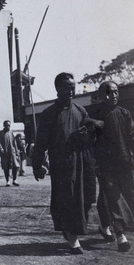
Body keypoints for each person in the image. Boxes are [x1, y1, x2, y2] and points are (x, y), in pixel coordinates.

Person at [30, 72, 97, 254]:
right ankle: (72, 238)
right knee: (66, 200)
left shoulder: (80, 111)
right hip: (61, 166)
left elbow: (89, 133)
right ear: (58, 89)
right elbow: (41, 142)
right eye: (67, 88)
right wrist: (37, 165)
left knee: (82, 200)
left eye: (73, 88)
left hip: (80, 164)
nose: (71, 91)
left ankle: (71, 232)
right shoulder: (49, 114)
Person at [88, 81, 134, 252]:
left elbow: (131, 138)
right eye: (108, 93)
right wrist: (94, 163)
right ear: (100, 96)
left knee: (109, 197)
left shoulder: (124, 113)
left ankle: (104, 225)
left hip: (124, 163)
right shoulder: (94, 114)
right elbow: (90, 142)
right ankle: (120, 235)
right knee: (113, 196)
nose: (113, 96)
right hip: (104, 164)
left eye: (115, 92)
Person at [0, 120, 20, 187]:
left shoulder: (11, 132)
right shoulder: (1, 133)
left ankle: (14, 180)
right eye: (7, 125)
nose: (8, 127)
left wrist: (16, 151)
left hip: (12, 152)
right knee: (6, 167)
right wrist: (1, 148)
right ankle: (7, 181)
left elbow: (14, 142)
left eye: (9, 125)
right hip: (5, 153)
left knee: (15, 166)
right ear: (4, 126)